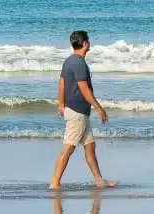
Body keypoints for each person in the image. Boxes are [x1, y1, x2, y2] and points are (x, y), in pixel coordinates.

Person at [49, 31, 117, 189]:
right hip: (77, 112)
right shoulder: (79, 63)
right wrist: (99, 108)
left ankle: (99, 181)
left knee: (90, 146)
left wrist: (60, 104)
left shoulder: (69, 61)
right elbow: (84, 89)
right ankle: (54, 183)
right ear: (85, 43)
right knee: (68, 149)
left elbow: (61, 83)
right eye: (88, 41)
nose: (89, 43)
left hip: (78, 112)